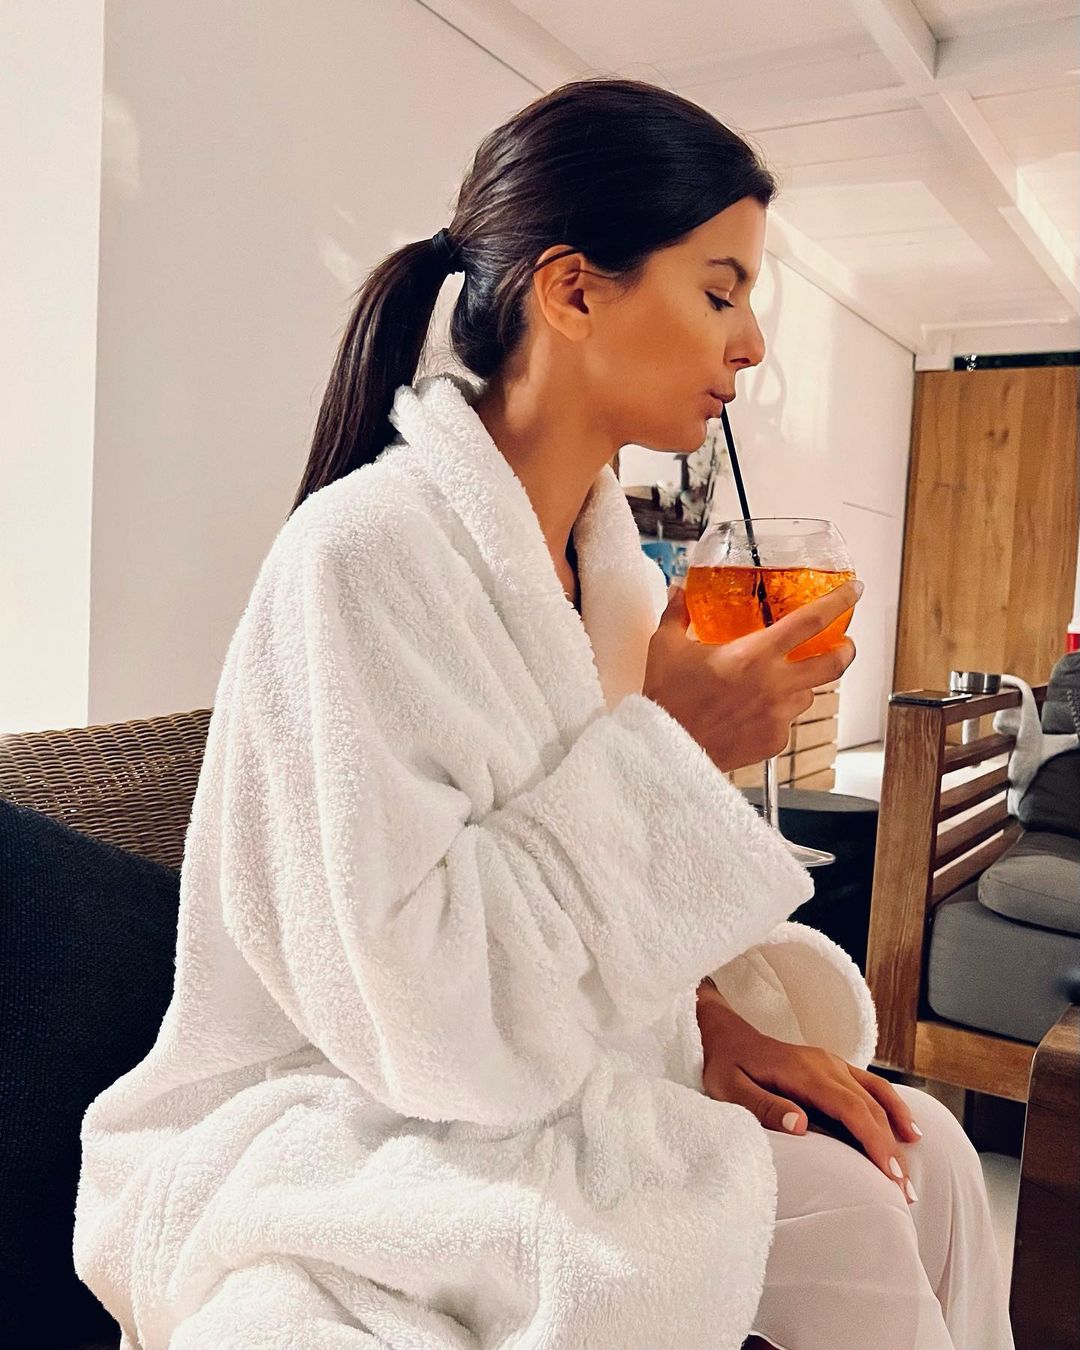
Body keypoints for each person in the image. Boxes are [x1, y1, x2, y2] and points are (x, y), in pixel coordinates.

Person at [73, 78, 1014, 1349]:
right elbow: (417, 1015)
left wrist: (708, 1020)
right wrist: (674, 751)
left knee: (927, 1150)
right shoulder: (361, 560)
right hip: (368, 1103)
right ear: (573, 291)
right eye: (721, 292)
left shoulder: (613, 580)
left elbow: (595, 896)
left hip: (554, 1072)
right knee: (845, 1213)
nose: (752, 346)